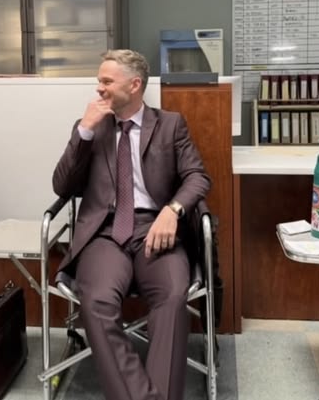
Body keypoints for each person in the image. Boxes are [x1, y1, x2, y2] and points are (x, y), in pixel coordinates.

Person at [52, 49, 211, 400]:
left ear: (134, 85)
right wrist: (84, 131)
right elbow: (62, 187)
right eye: (99, 81)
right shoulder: (91, 128)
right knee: (96, 301)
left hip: (156, 228)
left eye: (107, 81)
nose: (99, 88)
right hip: (104, 233)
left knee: (172, 296)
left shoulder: (170, 124)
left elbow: (197, 177)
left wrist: (172, 210)